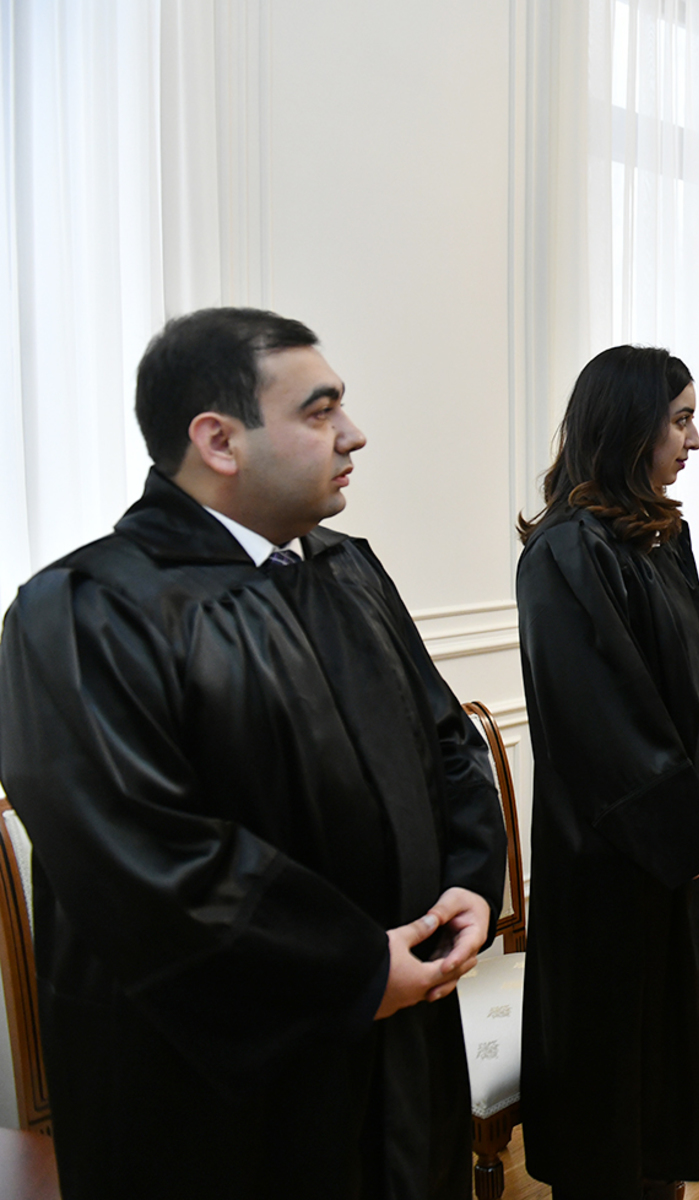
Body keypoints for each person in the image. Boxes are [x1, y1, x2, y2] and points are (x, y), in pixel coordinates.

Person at [0, 307, 506, 1199]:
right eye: (320, 411)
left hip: (401, 1036)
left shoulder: (346, 569)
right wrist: (355, 970)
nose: (354, 434)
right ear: (218, 440)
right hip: (223, 1091)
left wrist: (469, 882)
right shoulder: (84, 610)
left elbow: (447, 743)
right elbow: (148, 862)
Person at [516, 346, 699, 1200]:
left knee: (663, 1071)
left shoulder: (662, 536)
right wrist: (687, 832)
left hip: (676, 849)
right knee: (611, 1079)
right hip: (610, 863)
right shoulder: (564, 553)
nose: (695, 441)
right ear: (631, 426)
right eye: (681, 420)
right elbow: (599, 726)